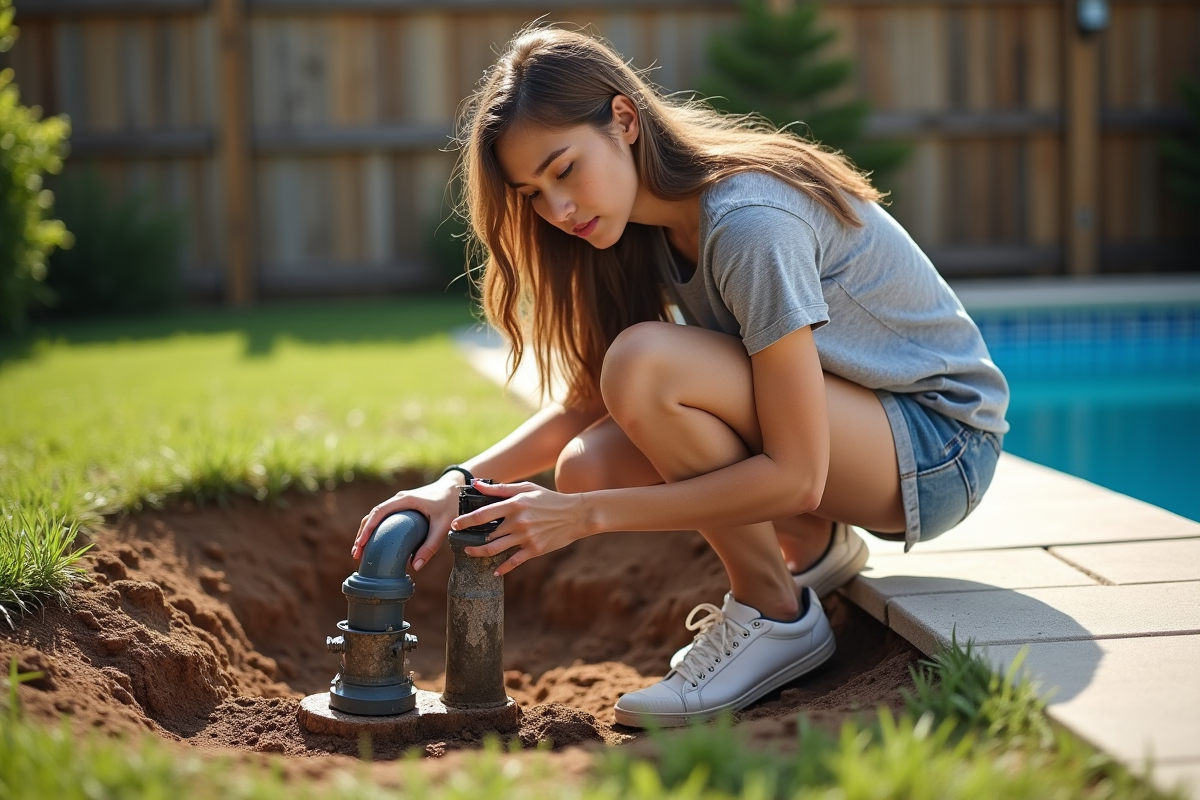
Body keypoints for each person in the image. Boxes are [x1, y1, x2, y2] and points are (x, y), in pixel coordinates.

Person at [351, 25, 1008, 728]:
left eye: (564, 169)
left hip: (941, 445)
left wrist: (583, 521)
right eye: (534, 193)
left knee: (639, 370)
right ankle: (813, 547)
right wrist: (455, 483)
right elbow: (585, 405)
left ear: (624, 119)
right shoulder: (642, 228)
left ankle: (777, 612)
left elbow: (797, 476)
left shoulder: (748, 221)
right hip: (863, 430)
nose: (558, 209)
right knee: (587, 463)